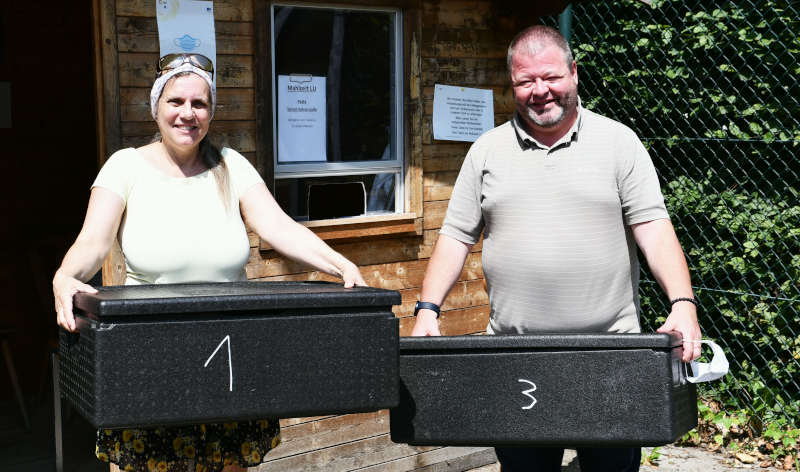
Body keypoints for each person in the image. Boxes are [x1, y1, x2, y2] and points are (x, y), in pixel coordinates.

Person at [53, 53, 366, 472]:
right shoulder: (125, 167)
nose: (187, 114)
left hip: (229, 361)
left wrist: (340, 264)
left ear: (211, 111)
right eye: (176, 102)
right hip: (151, 361)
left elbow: (279, 228)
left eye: (199, 104)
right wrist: (65, 275)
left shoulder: (231, 166)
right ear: (156, 108)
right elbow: (94, 241)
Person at [410, 25, 701, 472]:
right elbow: (455, 236)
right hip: (517, 357)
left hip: (611, 358)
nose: (540, 91)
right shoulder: (486, 151)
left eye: (550, 77)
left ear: (574, 73)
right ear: (513, 85)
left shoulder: (618, 142)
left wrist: (683, 304)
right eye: (526, 82)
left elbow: (654, 228)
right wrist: (428, 309)